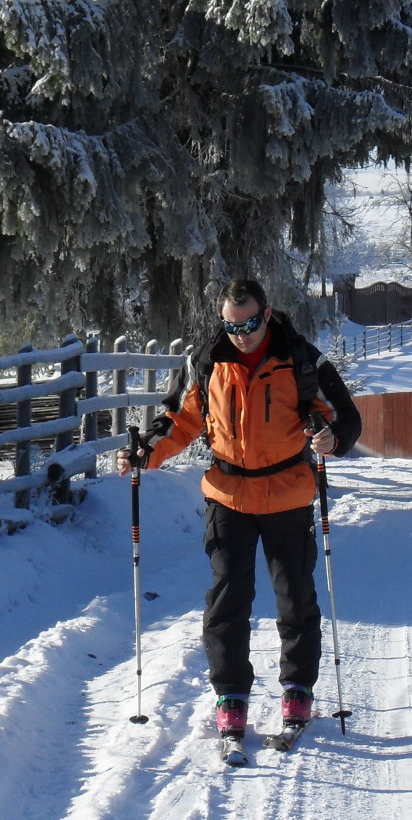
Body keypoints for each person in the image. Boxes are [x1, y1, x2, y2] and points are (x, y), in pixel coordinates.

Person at [122, 279, 361, 739]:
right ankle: (231, 695)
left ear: (267, 314)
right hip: (229, 494)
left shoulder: (302, 358)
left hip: (288, 492)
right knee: (228, 599)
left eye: (250, 323)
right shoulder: (207, 361)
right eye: (231, 325)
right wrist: (143, 454)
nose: (241, 334)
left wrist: (332, 437)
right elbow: (178, 419)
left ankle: (297, 689)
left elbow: (344, 415)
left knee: (295, 596)